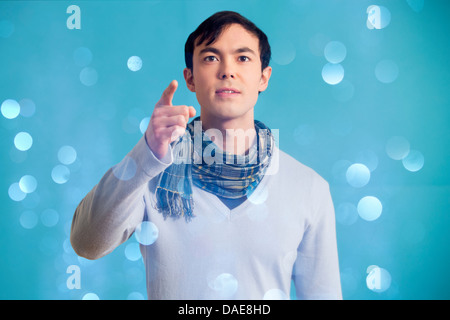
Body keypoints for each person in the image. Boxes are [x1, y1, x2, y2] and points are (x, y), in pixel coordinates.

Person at [70, 10, 342, 300]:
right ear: (190, 79)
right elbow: (87, 243)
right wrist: (146, 152)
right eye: (211, 58)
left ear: (264, 77)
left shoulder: (308, 187)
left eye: (243, 58)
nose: (227, 71)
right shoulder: (152, 171)